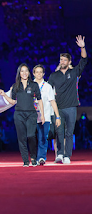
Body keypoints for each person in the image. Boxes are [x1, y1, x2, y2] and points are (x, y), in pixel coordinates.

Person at [48, 35, 88, 164]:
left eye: (65, 60)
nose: (62, 61)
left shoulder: (75, 72)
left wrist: (82, 47)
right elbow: (47, 90)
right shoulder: (54, 75)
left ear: (69, 62)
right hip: (58, 108)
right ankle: (59, 154)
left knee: (69, 133)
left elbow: (84, 59)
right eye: (61, 59)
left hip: (71, 107)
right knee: (59, 132)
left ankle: (67, 156)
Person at [0, 63, 45, 167]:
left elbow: (39, 100)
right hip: (19, 115)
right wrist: (4, 95)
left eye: (26, 71)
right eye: (22, 71)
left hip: (31, 114)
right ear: (19, 73)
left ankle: (33, 157)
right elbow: (13, 102)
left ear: (29, 73)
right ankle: (25, 161)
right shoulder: (15, 86)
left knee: (31, 136)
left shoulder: (34, 85)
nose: (24, 73)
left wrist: (42, 115)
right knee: (21, 138)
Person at [32, 65, 61, 166]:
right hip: (32, 116)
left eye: (41, 72)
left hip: (46, 116)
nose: (39, 74)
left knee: (43, 137)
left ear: (44, 74)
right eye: (37, 72)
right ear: (33, 73)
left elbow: (53, 102)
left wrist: (57, 116)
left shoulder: (48, 86)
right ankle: (33, 157)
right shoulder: (29, 85)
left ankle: (41, 158)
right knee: (32, 137)